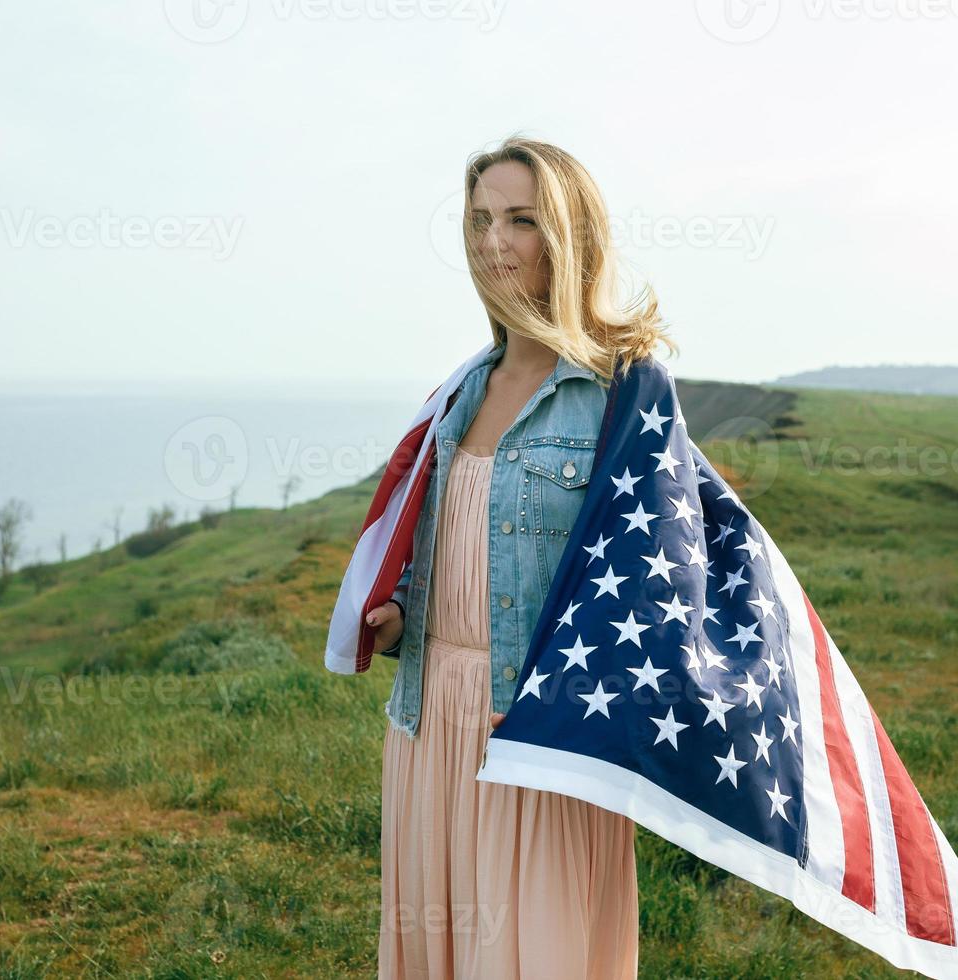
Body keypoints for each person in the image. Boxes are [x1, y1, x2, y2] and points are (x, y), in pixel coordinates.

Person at [368, 135, 677, 980]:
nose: (491, 242)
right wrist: (404, 619)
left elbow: (655, 587)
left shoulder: (622, 390)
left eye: (520, 220)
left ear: (568, 236)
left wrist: (569, 703)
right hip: (428, 720)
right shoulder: (463, 388)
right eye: (478, 220)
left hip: (537, 733)